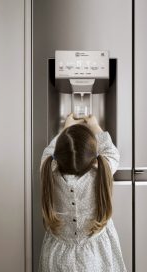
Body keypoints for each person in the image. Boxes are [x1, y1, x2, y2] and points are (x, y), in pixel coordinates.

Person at [38, 114, 127, 272]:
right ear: (93, 158)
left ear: (58, 156)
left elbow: (48, 153)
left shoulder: (49, 170)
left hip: (58, 256)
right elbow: (112, 152)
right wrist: (94, 125)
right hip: (96, 255)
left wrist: (66, 127)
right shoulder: (100, 171)